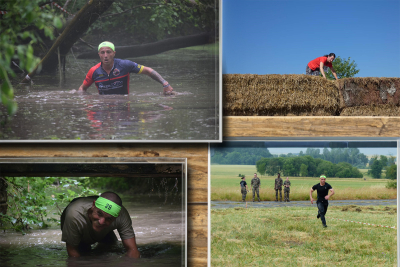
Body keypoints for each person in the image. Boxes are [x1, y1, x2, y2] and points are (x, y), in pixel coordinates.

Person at [61, 191, 140, 258]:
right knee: (84, 253)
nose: (101, 221)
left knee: (112, 246)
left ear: (117, 217)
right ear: (93, 205)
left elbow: (133, 250)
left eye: (109, 218)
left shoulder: (122, 216)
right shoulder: (74, 216)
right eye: (99, 213)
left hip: (105, 231)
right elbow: (72, 251)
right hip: (77, 229)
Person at [78, 41, 174, 95]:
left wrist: (165, 84)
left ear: (114, 53)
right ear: (99, 54)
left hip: (123, 104)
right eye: (102, 53)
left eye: (109, 52)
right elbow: (82, 88)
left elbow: (148, 71)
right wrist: (85, 101)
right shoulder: (94, 71)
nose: (105, 55)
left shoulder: (124, 65)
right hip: (102, 106)